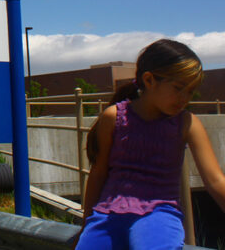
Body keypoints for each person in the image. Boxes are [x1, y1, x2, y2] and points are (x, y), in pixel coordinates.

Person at [77, 39, 225, 250]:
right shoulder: (114, 117)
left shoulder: (186, 123)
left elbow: (215, 180)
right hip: (109, 212)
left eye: (190, 91)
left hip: (160, 212)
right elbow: (99, 172)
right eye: (178, 88)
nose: (184, 98)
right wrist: (86, 225)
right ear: (149, 80)